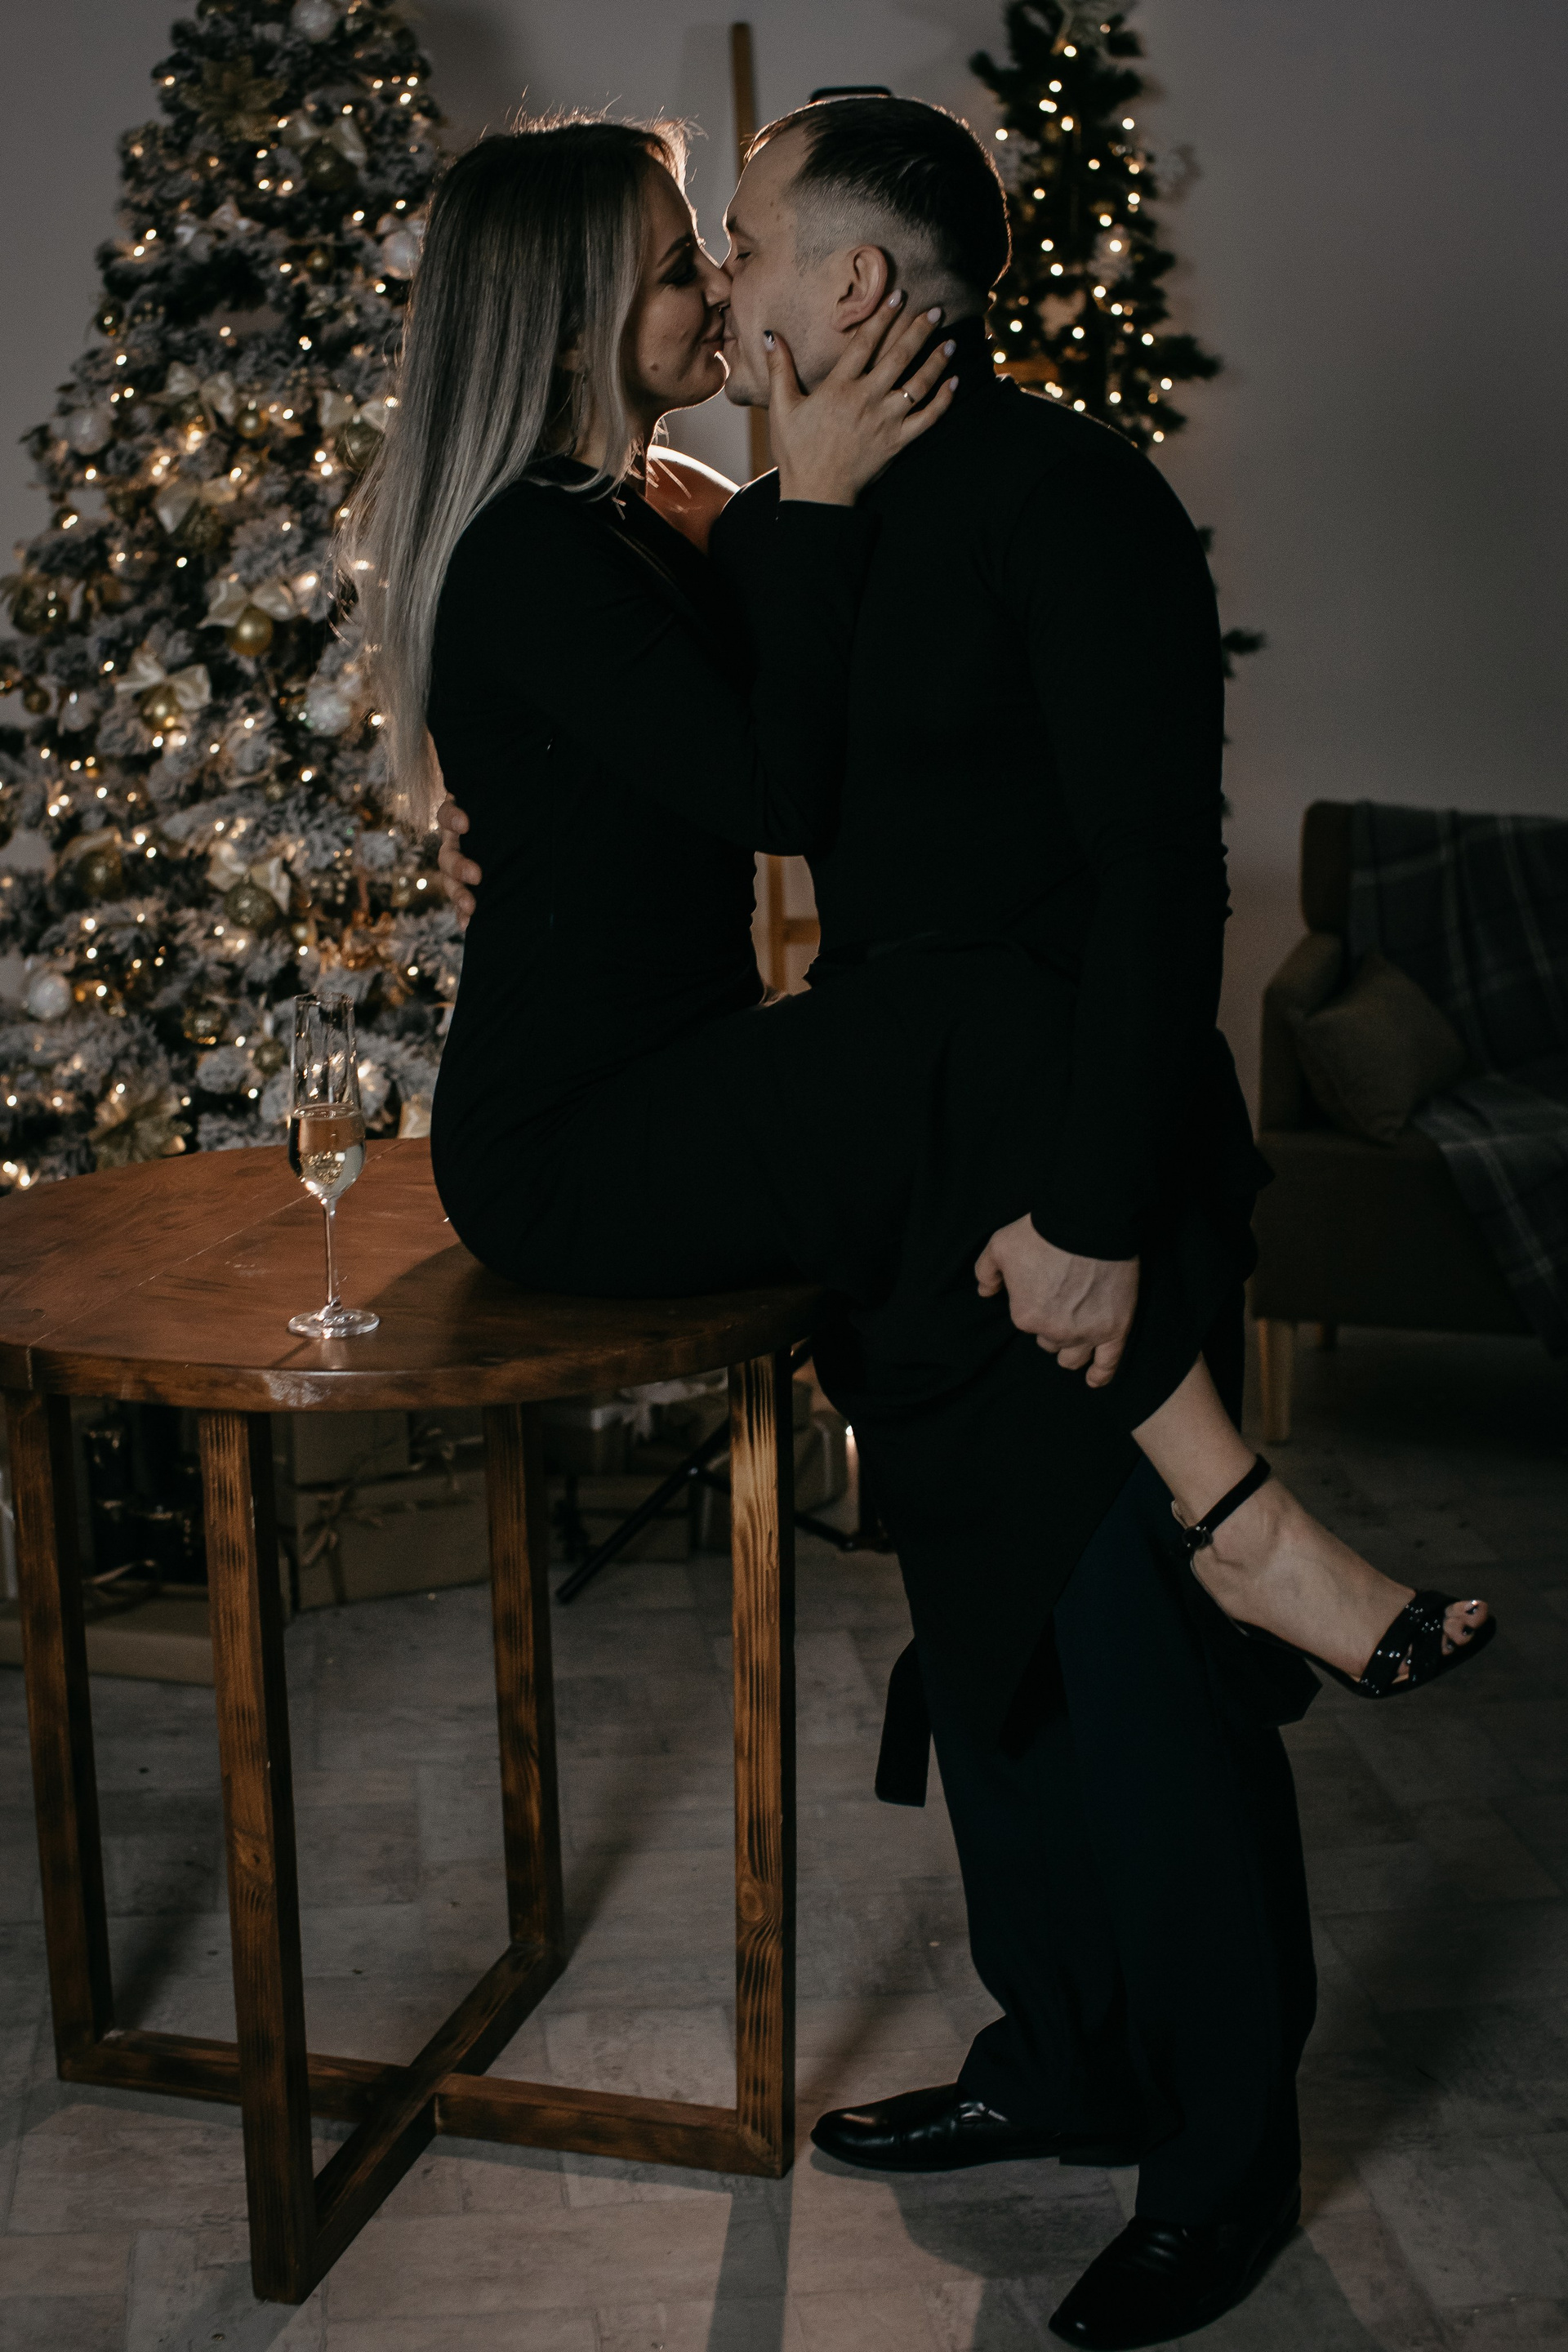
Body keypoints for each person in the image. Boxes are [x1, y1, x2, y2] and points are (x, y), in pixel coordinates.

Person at [365, 105, 1494, 2350]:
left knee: (1141, 1677)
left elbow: (1157, 878)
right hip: (895, 1164)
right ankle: (1062, 2057)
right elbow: (673, 740)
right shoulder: (754, 514)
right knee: (994, 1652)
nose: (721, 280)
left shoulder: (1063, 502)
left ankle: (1220, 2163)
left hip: (1074, 1176)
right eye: (689, 252)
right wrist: (484, 812)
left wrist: (1093, 1208)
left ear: (855, 285)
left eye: (739, 238)